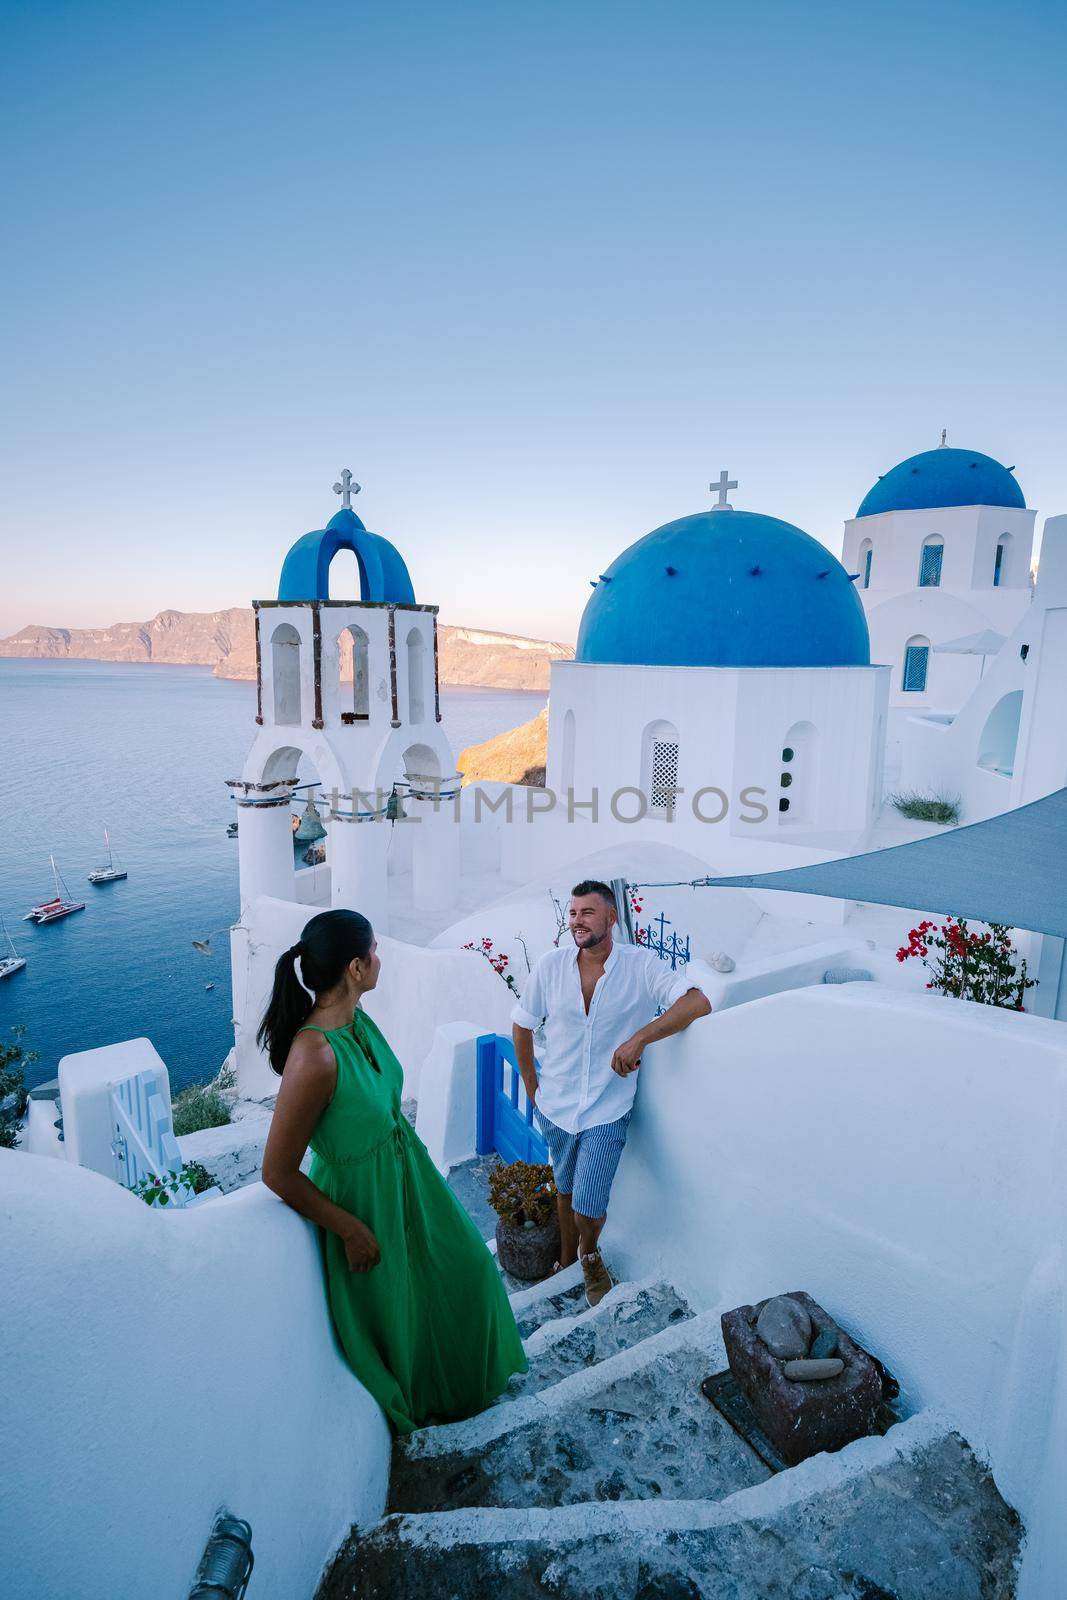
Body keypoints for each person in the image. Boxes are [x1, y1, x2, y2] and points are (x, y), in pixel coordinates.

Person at [258, 908, 527, 1434]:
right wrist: (349, 1228)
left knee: (467, 1271)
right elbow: (276, 1171)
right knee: (400, 1309)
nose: (381, 959)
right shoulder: (313, 1057)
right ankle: (427, 1403)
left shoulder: (358, 1021)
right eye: (374, 951)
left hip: (409, 1176)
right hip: (363, 1199)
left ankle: (459, 1390)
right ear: (355, 968)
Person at [511, 880, 711, 1306]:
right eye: (572, 913)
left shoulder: (640, 965)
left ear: (610, 917)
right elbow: (522, 1023)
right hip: (557, 1106)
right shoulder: (551, 966)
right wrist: (533, 1089)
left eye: (586, 912)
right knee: (564, 1189)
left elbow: (697, 1002)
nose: (576, 921)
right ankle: (566, 1261)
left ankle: (588, 1253)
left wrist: (640, 1038)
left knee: (587, 1203)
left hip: (608, 1107)